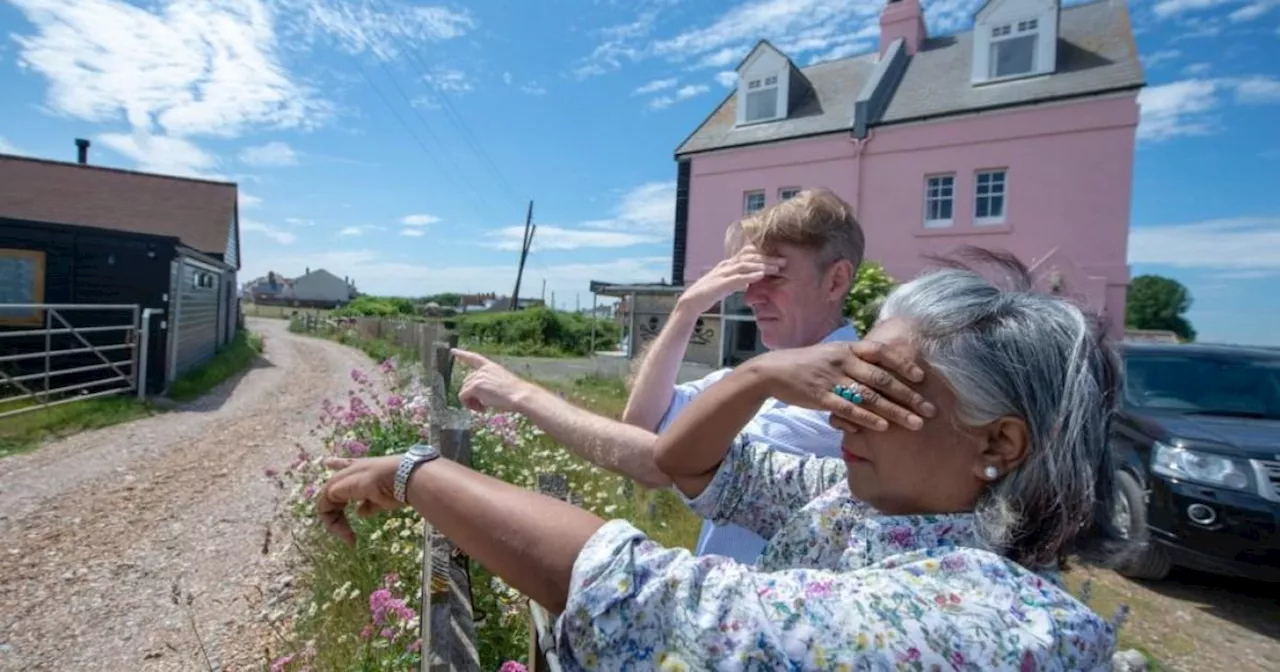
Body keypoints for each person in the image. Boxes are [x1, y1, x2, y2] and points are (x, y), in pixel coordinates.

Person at [315, 250, 1130, 669]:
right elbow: (692, 463)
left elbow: (650, 595)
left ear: (998, 442)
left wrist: (413, 472)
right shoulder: (873, 509)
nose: (849, 404)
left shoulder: (985, 623)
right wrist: (758, 373)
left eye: (882, 388)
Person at [454, 188, 935, 562]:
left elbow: (658, 462)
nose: (751, 296)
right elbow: (641, 422)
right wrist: (686, 310)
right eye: (748, 278)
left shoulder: (852, 391)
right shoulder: (755, 378)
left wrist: (521, 394)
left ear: (835, 280)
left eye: (773, 276)